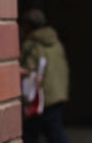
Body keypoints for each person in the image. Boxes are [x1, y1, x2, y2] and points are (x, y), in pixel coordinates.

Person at [20, 9, 70, 143]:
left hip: (40, 98)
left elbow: (28, 72)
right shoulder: (55, 42)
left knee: (32, 135)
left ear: (28, 26)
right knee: (51, 132)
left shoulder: (31, 45)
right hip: (57, 94)